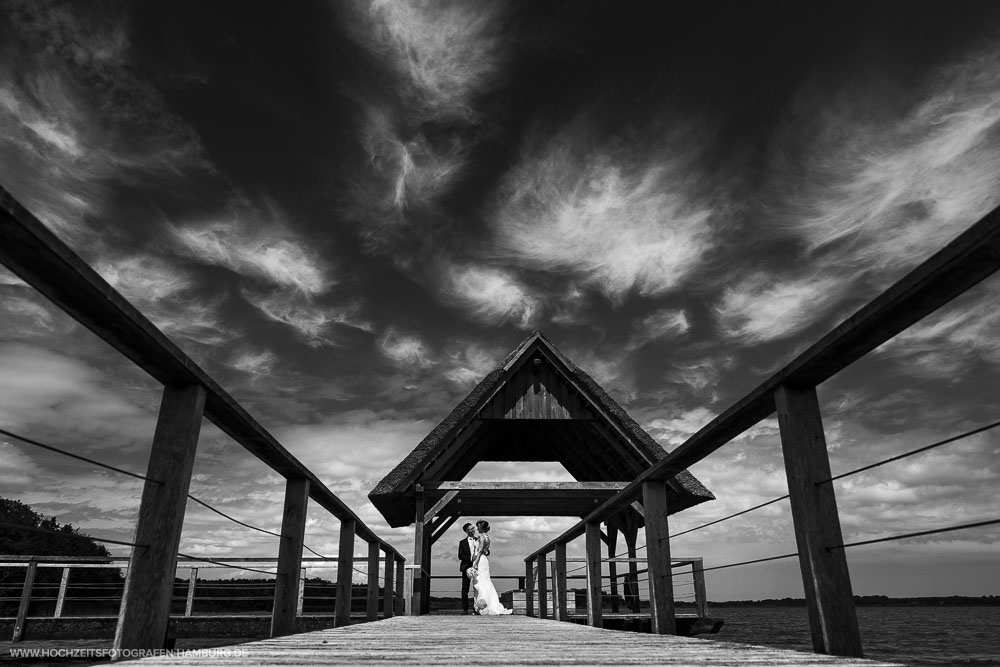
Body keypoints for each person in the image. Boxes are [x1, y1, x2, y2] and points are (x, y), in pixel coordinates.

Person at [470, 519, 513, 615]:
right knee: (485, 581)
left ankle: (483, 605)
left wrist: (475, 563)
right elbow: (486, 551)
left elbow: (480, 551)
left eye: (478, 527)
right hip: (484, 560)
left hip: (480, 560)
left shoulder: (481, 537)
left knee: (480, 582)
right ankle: (482, 605)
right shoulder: (487, 537)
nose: (477, 528)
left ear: (481, 527)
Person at [458, 522, 477, 615]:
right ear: (466, 531)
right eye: (470, 529)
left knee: (478, 588)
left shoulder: (478, 540)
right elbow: (460, 556)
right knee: (465, 589)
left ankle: (476, 609)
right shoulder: (462, 542)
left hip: (478, 567)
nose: (473, 530)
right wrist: (470, 558)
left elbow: (486, 551)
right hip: (466, 567)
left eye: (473, 528)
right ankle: (465, 610)